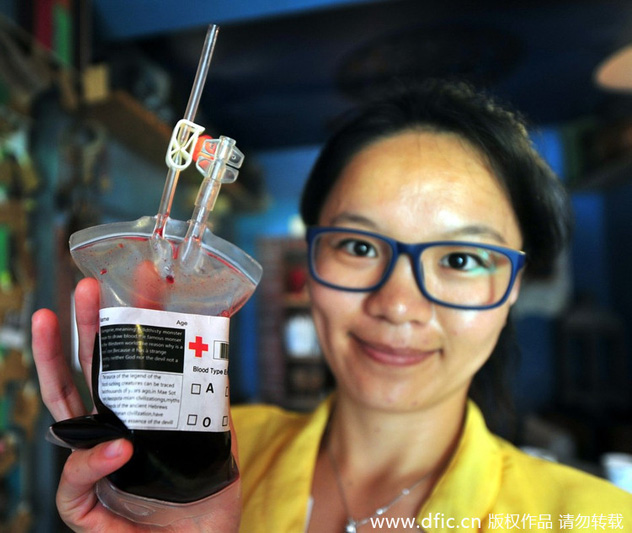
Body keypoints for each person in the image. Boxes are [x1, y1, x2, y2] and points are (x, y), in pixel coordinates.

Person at [31, 79, 632, 532]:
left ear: (515, 289)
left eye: (461, 259)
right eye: (358, 245)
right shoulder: (203, 458)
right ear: (308, 268)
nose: (399, 304)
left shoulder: (598, 518)